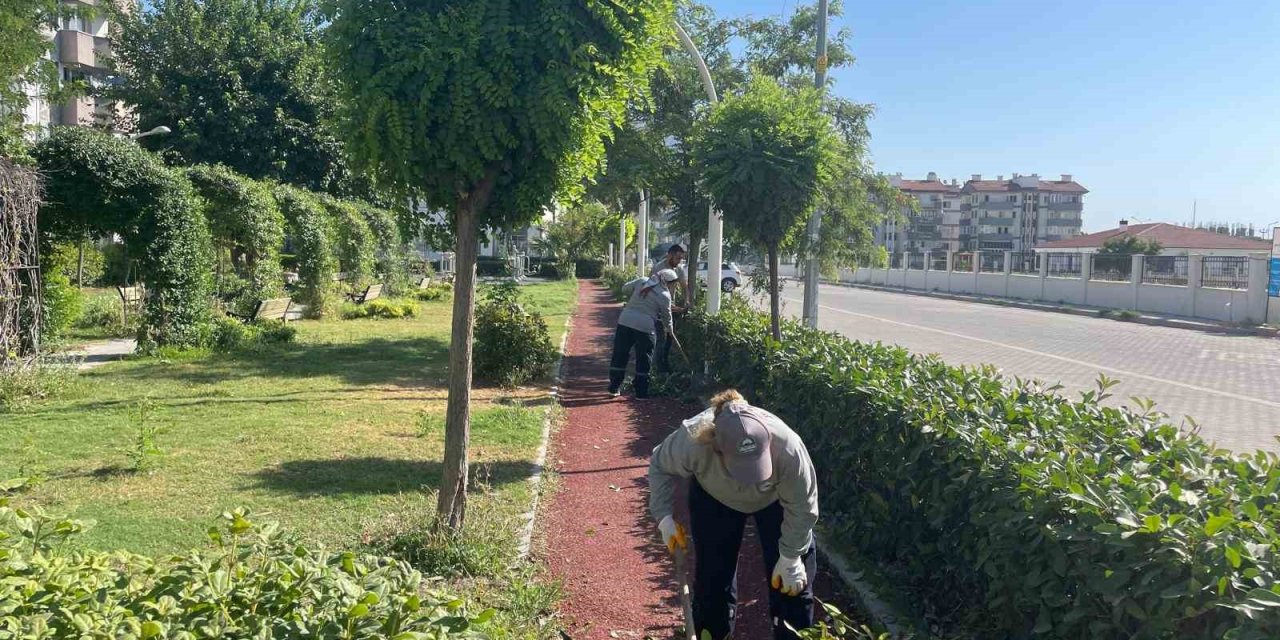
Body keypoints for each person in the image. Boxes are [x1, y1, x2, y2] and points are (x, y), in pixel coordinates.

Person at [648, 390, 819, 640]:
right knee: (713, 581)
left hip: (775, 500)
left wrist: (791, 556)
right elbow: (659, 465)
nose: (749, 482)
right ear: (715, 446)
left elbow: (803, 506)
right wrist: (664, 518)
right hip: (715, 496)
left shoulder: (788, 447)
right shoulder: (692, 440)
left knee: (792, 586)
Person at [609, 268, 677, 398]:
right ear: (666, 282)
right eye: (673, 283)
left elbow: (624, 289)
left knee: (620, 354)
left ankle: (614, 387)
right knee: (644, 359)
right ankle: (641, 392)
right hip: (645, 328)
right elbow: (667, 317)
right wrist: (670, 330)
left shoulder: (642, 281)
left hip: (625, 321)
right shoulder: (665, 295)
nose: (673, 286)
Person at [650, 244, 687, 371]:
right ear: (669, 255)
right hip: (657, 309)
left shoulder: (679, 269)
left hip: (671, 307)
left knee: (670, 339)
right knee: (660, 339)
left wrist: (686, 301)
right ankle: (656, 368)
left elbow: (684, 286)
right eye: (678, 258)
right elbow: (652, 291)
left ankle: (664, 362)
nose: (679, 261)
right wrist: (672, 307)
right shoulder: (657, 269)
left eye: (681, 259)